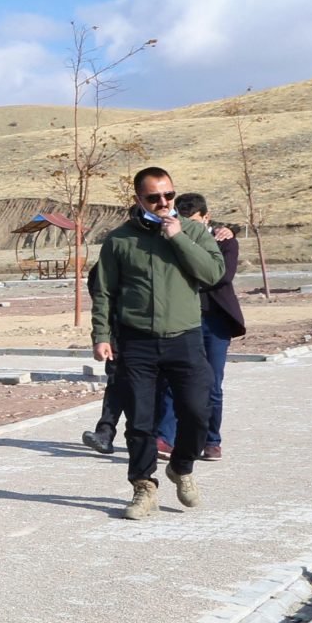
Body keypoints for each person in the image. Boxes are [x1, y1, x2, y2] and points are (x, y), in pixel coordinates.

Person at [89, 167, 226, 519]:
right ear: (139, 199)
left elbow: (213, 274)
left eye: (169, 195)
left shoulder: (193, 231)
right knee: (140, 422)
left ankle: (181, 467)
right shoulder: (120, 240)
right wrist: (101, 335)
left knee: (197, 411)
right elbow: (104, 292)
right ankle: (143, 486)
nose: (163, 202)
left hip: (185, 339)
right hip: (136, 342)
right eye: (153, 197)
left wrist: (178, 237)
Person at [155, 193, 244, 460]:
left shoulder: (224, 240)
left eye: (194, 221)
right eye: (184, 220)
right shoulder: (170, 239)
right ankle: (165, 438)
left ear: (206, 217)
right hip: (181, 319)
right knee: (173, 380)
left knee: (212, 383)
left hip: (214, 320)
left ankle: (212, 440)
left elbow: (222, 276)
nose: (189, 226)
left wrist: (189, 278)